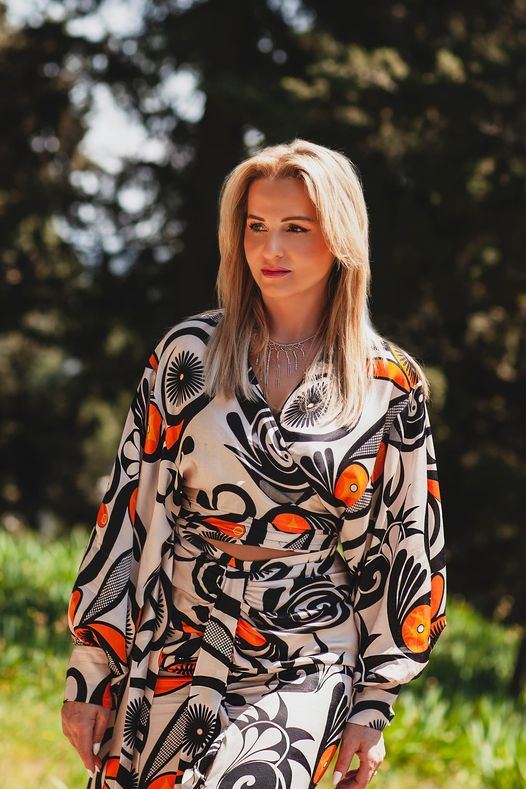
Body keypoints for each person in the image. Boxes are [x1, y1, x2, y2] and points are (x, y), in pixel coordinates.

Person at [61, 138, 448, 789]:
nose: (271, 248)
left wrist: (374, 702)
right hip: (178, 634)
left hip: (308, 647)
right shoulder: (188, 354)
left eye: (296, 228)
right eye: (256, 226)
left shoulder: (386, 382)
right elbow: (129, 510)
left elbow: (406, 545)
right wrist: (91, 669)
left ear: (340, 238)